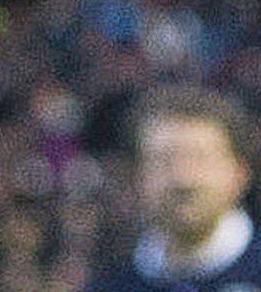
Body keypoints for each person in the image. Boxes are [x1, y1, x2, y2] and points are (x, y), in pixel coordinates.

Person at [92, 87, 261, 292]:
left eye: (201, 159)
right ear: (138, 177)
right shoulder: (109, 284)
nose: (183, 179)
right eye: (164, 161)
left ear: (240, 173)